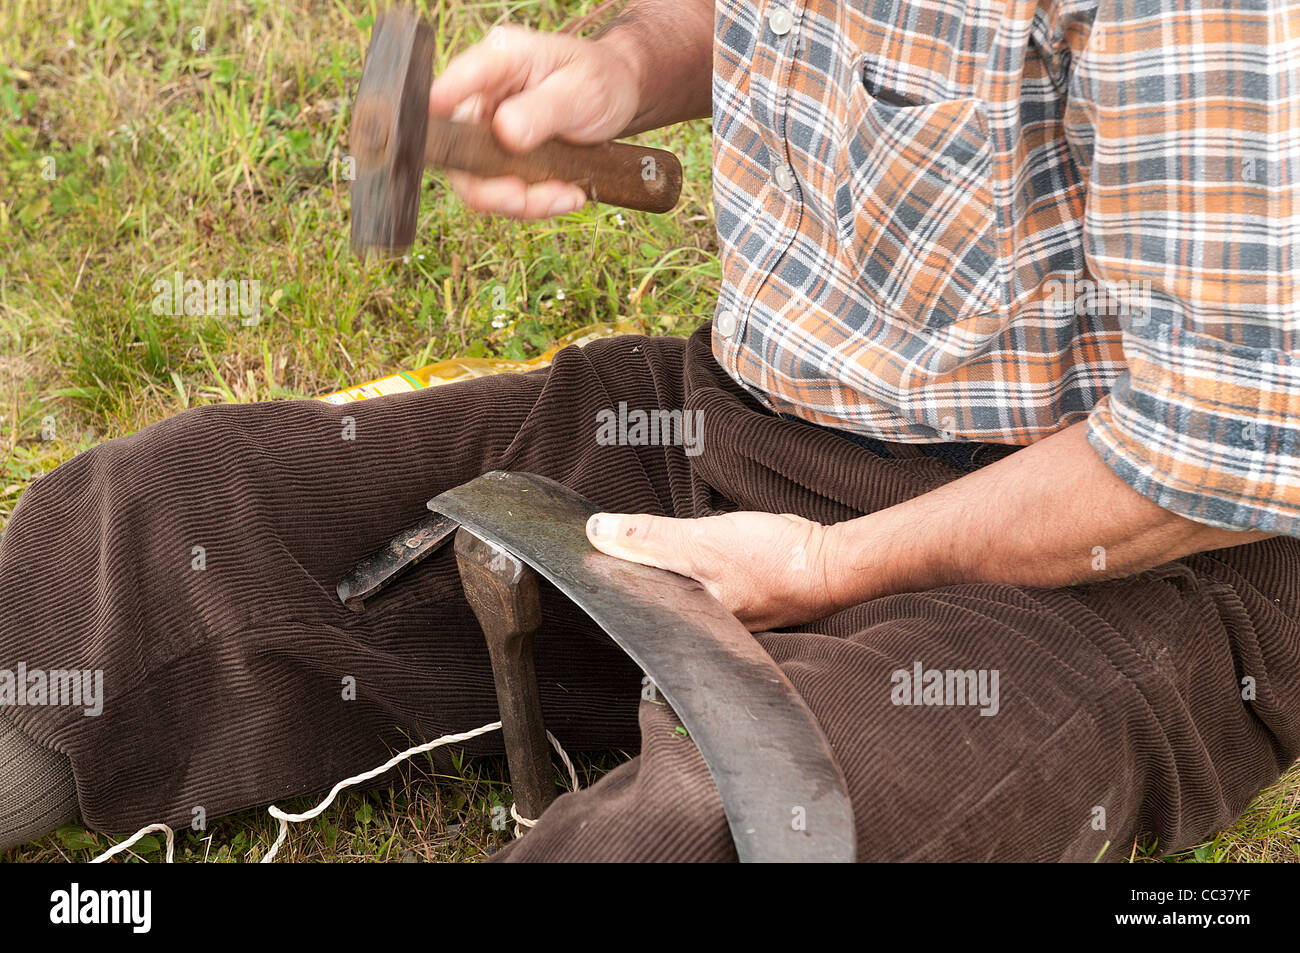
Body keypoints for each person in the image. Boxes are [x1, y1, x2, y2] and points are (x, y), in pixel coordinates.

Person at [2, 0, 1298, 861]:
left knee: (729, 828)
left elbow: (1207, 447)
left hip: (1108, 565)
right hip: (735, 426)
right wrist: (620, 66)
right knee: (173, 510)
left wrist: (826, 568)